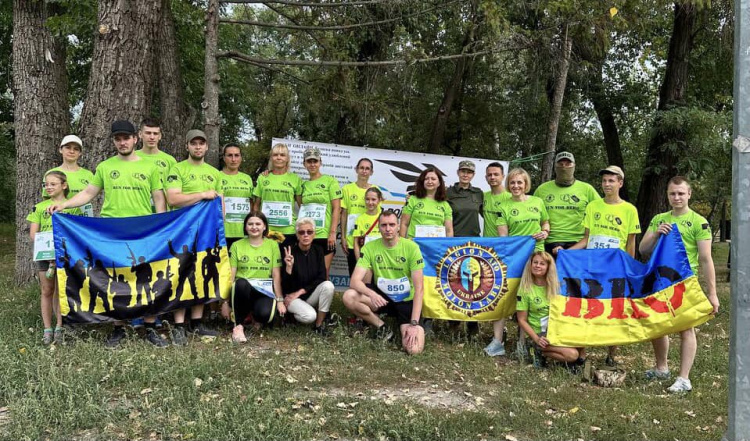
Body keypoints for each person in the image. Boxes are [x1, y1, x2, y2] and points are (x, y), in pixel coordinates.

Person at [48, 120, 168, 348]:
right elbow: (88, 193)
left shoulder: (151, 167)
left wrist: (160, 226)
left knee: (147, 278)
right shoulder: (104, 167)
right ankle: (118, 327)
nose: (122, 142)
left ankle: (150, 327)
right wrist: (64, 206)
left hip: (142, 230)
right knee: (116, 280)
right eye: (118, 139)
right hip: (112, 231)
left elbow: (159, 198)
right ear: (114, 141)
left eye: (126, 138)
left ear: (135, 139)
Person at [639, 176, 720, 393]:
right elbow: (643, 250)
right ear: (667, 195)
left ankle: (684, 378)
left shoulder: (698, 221)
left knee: (686, 328)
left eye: (681, 193)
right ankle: (661, 368)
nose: (676, 197)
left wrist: (712, 293)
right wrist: (656, 233)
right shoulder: (659, 219)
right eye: (672, 193)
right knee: (657, 326)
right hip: (659, 282)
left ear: (689, 194)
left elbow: (705, 259)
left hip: (684, 283)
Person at [569, 165, 640, 366]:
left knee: (614, 309)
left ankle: (612, 354)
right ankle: (581, 354)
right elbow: (586, 239)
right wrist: (567, 252)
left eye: (611, 180)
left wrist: (629, 268)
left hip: (615, 269)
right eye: (604, 181)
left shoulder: (629, 210)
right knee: (586, 306)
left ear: (620, 183)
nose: (607, 184)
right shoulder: (593, 207)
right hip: (592, 267)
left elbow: (630, 243)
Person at [165, 129, 224, 344]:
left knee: (202, 274)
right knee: (181, 275)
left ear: (207, 147)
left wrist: (221, 226)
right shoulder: (177, 169)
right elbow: (173, 199)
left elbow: (220, 203)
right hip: (182, 232)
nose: (198, 147)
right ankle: (179, 324)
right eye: (194, 143)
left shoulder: (214, 173)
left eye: (201, 143)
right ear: (187, 146)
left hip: (207, 232)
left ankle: (197, 323)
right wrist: (202, 195)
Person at [485, 167, 549, 358]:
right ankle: (498, 341)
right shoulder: (503, 207)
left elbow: (546, 223)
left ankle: (522, 343)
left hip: (536, 257)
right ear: (508, 184)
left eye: (519, 182)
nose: (516, 186)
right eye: (512, 182)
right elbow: (504, 238)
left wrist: (545, 232)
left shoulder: (537, 202)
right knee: (503, 297)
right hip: (513, 259)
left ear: (526, 184)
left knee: (526, 298)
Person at [342, 210, 425, 355]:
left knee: (413, 350)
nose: (388, 229)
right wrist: (371, 294)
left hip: (405, 301)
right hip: (381, 298)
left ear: (398, 226)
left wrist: (414, 323)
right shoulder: (370, 247)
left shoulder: (412, 247)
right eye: (384, 225)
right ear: (379, 227)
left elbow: (419, 289)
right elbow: (354, 281)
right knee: (349, 296)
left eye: (392, 225)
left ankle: (408, 327)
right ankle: (382, 327)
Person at [28, 171, 82, 344]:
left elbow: (78, 232)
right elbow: (33, 234)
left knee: (62, 291)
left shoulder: (74, 207)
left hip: (65, 255)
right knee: (47, 290)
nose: (48, 187)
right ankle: (47, 328)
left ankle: (60, 326)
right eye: (46, 184)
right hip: (45, 255)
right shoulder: (39, 207)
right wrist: (49, 249)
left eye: (53, 184)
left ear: (64, 185)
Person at [515, 251, 585, 369]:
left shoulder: (557, 287)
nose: (537, 265)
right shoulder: (525, 289)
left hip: (556, 329)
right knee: (572, 354)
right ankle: (537, 350)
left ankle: (580, 362)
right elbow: (521, 320)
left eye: (542, 264)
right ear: (530, 265)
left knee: (582, 340)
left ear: (548, 268)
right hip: (539, 334)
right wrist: (536, 339)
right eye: (535, 262)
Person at [225, 212, 286, 343]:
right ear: (245, 227)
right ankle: (238, 326)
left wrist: (280, 299)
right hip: (243, 290)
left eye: (258, 224)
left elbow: (276, 275)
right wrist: (225, 302)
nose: (254, 227)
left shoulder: (273, 245)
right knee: (240, 283)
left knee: (266, 315)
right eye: (250, 224)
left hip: (263, 290)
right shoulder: (236, 245)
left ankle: (253, 316)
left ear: (264, 227)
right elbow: (231, 275)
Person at [533, 152, 601, 256]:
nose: (564, 167)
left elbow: (600, 212)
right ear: (555, 166)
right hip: (548, 243)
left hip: (577, 244)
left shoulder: (587, 189)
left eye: (568, 164)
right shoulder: (542, 190)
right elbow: (533, 216)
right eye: (560, 164)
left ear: (574, 166)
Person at [445, 160, 483, 336]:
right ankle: (454, 321)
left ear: (473, 175)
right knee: (455, 282)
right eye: (463, 171)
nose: (466, 174)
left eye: (469, 172)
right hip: (455, 243)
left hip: (474, 244)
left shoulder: (479, 193)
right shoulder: (449, 192)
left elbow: (489, 215)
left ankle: (473, 322)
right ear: (458, 172)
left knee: (474, 283)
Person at [281, 218, 335, 335]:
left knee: (328, 285)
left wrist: (300, 292)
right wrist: (288, 268)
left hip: (307, 295)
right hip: (292, 298)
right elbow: (285, 286)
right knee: (310, 316)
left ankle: (319, 325)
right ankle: (290, 316)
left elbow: (321, 277)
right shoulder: (290, 252)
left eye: (309, 232)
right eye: (301, 232)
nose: (305, 235)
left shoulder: (318, 250)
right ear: (297, 235)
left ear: (314, 234)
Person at [299, 147, 342, 275]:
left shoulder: (330, 181)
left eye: (315, 161)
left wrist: (332, 233)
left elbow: (337, 208)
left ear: (320, 163)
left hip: (324, 235)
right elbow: (302, 207)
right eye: (309, 161)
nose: (312, 164)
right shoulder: (303, 185)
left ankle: (325, 295)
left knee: (323, 271)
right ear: (304, 164)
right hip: (307, 235)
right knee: (307, 272)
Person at [252, 143, 302, 249]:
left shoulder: (295, 179)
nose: (279, 157)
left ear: (287, 158)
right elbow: (256, 206)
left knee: (286, 264)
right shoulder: (263, 178)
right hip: (266, 231)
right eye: (275, 155)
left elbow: (302, 206)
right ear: (271, 158)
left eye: (282, 155)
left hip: (288, 231)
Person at [42, 135, 95, 216]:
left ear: (80, 153)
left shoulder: (88, 175)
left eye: (76, 149)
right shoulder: (51, 173)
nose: (72, 151)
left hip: (83, 219)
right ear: (60, 149)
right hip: (60, 218)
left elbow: (89, 196)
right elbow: (46, 199)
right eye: (68, 147)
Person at [340, 158, 376, 275]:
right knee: (354, 273)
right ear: (356, 170)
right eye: (361, 168)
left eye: (367, 168)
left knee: (371, 276)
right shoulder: (347, 189)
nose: (364, 171)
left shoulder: (375, 190)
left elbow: (378, 217)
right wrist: (343, 237)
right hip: (352, 239)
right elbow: (344, 214)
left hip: (371, 240)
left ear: (371, 172)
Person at [400, 168, 454, 239]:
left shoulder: (445, 205)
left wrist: (448, 247)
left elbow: (449, 231)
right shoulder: (412, 200)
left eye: (433, 179)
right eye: (426, 179)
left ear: (439, 183)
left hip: (435, 246)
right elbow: (404, 224)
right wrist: (401, 244)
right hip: (413, 244)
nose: (429, 181)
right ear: (422, 182)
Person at [220, 143, 254, 250]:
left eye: (237, 155)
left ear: (241, 157)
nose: (233, 159)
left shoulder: (247, 178)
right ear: (224, 158)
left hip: (244, 231)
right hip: (224, 231)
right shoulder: (216, 176)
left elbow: (251, 203)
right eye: (230, 155)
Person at [135, 117, 177, 200]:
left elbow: (175, 188)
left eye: (155, 133)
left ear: (160, 136)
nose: (152, 137)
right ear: (140, 134)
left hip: (163, 210)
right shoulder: (132, 158)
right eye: (148, 133)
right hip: (139, 210)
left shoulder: (170, 160)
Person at [352, 187, 383, 261]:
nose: (370, 202)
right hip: (366, 259)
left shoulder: (384, 218)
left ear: (379, 200)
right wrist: (359, 262)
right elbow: (356, 243)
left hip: (382, 259)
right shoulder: (360, 219)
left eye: (373, 199)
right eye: (367, 199)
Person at [482, 162, 511, 238]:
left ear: (503, 176)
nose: (492, 177)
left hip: (503, 243)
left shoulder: (510, 197)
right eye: (489, 175)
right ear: (486, 177)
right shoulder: (483, 196)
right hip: (487, 244)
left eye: (496, 174)